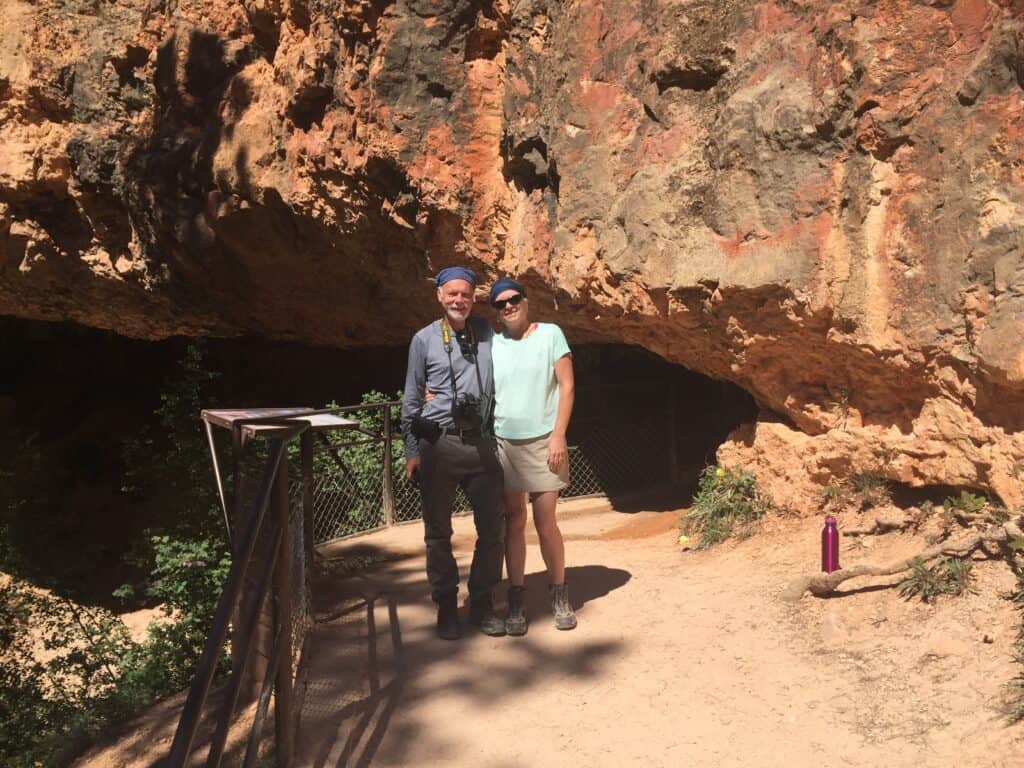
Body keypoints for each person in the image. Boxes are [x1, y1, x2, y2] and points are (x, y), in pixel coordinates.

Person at [401, 267, 507, 640]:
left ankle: (481, 603)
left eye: (465, 294)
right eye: (452, 294)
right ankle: (446, 606)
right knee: (437, 532)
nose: (459, 300)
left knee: (494, 529)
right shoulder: (423, 340)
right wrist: (412, 450)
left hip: (481, 443)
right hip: (439, 444)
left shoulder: (487, 334)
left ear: (473, 297)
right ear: (440, 297)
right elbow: (412, 398)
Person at [489, 277, 577, 634]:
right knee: (514, 521)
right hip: (505, 442)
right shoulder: (493, 343)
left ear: (526, 301)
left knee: (545, 521)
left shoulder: (550, 334)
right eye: (500, 303)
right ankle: (517, 595)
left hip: (544, 441)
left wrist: (558, 435)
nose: (508, 306)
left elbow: (567, 385)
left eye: (514, 299)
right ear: (496, 311)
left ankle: (559, 592)